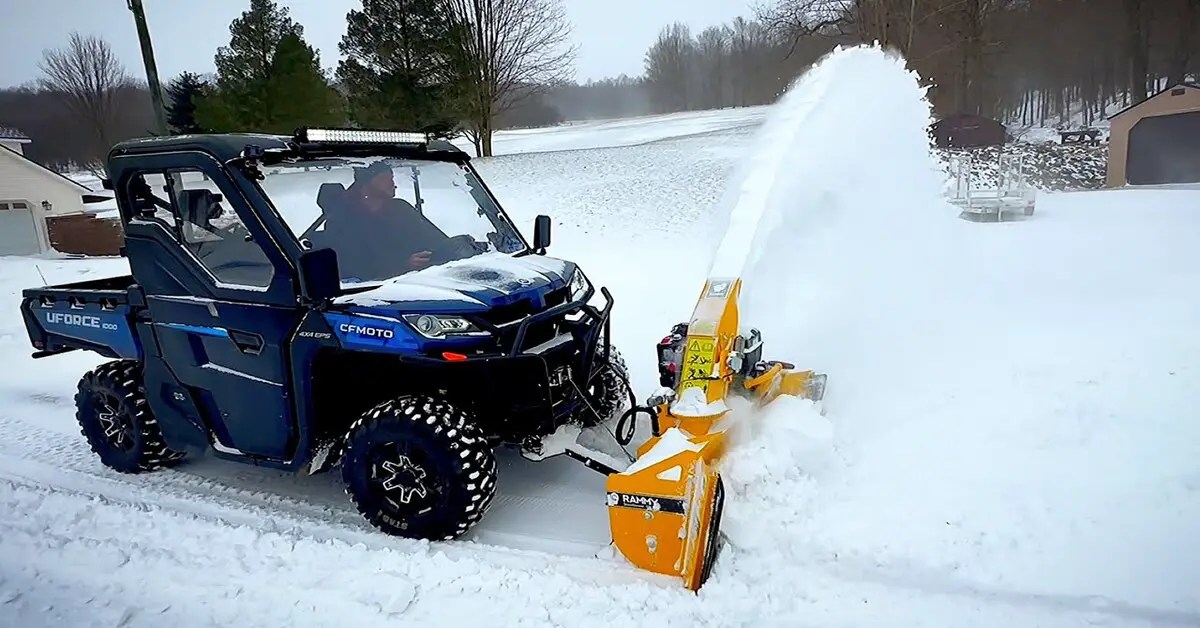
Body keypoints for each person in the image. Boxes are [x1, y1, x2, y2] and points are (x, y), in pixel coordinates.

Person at [323, 161, 454, 281]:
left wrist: (451, 247)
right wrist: (404, 265)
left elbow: (431, 238)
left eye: (391, 178)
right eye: (384, 178)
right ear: (366, 182)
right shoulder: (343, 219)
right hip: (371, 294)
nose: (392, 183)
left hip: (422, 280)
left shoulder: (400, 209)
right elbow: (354, 267)